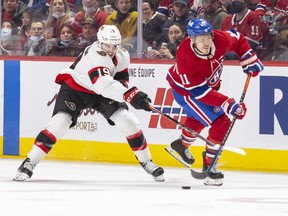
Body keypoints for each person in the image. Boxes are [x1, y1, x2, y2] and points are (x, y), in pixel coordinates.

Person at [13, 24, 165, 182]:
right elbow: (104, 85)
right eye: (108, 45)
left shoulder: (122, 54)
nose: (112, 49)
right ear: (100, 42)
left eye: (115, 45)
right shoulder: (95, 56)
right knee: (59, 124)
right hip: (76, 89)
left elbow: (121, 79)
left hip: (102, 92)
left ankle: (147, 162)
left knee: (129, 122)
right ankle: (30, 162)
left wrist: (131, 94)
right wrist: (130, 95)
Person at [165, 18, 263, 186]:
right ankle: (209, 165)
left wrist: (249, 59)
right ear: (191, 39)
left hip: (203, 88)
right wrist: (228, 103)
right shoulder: (185, 56)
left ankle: (181, 145)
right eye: (201, 39)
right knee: (221, 122)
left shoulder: (219, 38)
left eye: (208, 37)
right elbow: (200, 93)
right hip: (187, 92)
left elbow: (238, 38)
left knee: (198, 118)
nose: (206, 42)